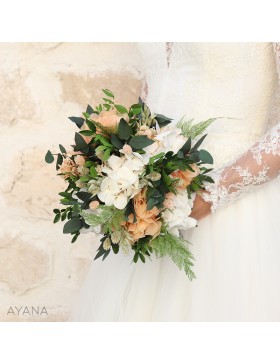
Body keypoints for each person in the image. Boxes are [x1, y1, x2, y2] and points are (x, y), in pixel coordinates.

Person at [70, 43, 280, 321]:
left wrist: (212, 195)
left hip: (233, 210)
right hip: (151, 210)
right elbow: (153, 99)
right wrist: (121, 169)